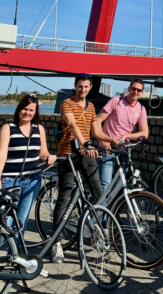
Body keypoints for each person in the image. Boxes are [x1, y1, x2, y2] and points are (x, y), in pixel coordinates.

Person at [52, 73, 119, 264]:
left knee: (98, 193)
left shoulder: (90, 107)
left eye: (86, 87)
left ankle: (96, 230)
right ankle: (56, 242)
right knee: (65, 197)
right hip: (69, 155)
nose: (83, 90)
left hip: (86, 154)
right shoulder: (67, 103)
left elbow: (96, 131)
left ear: (90, 88)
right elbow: (72, 125)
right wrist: (84, 145)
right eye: (80, 86)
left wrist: (111, 140)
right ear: (75, 86)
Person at [0, 95, 56, 237]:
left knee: (22, 220)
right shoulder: (8, 128)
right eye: (25, 109)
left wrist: (49, 156)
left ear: (35, 112)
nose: (28, 113)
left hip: (33, 180)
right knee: (6, 221)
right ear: (19, 109)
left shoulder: (39, 129)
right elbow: (1, 155)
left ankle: (15, 254)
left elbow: (42, 152)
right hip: (10, 180)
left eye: (31, 110)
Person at [95, 78, 149, 190]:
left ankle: (114, 207)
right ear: (129, 89)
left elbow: (145, 133)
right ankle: (101, 207)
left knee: (121, 186)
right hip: (107, 150)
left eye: (139, 90)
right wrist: (103, 140)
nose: (135, 92)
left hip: (124, 150)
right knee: (105, 185)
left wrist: (127, 136)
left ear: (142, 93)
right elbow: (97, 120)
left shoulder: (141, 109)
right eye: (133, 89)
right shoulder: (116, 101)